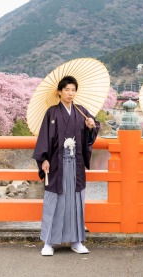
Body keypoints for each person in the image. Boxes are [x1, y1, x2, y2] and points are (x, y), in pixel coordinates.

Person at [32, 75, 100, 256]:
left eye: (73, 90)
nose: (70, 93)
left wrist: (91, 126)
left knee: (75, 201)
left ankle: (76, 241)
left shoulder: (82, 111)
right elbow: (44, 138)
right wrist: (44, 159)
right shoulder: (52, 112)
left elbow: (91, 132)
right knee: (54, 200)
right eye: (67, 90)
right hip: (57, 164)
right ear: (59, 92)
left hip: (75, 163)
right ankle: (49, 242)